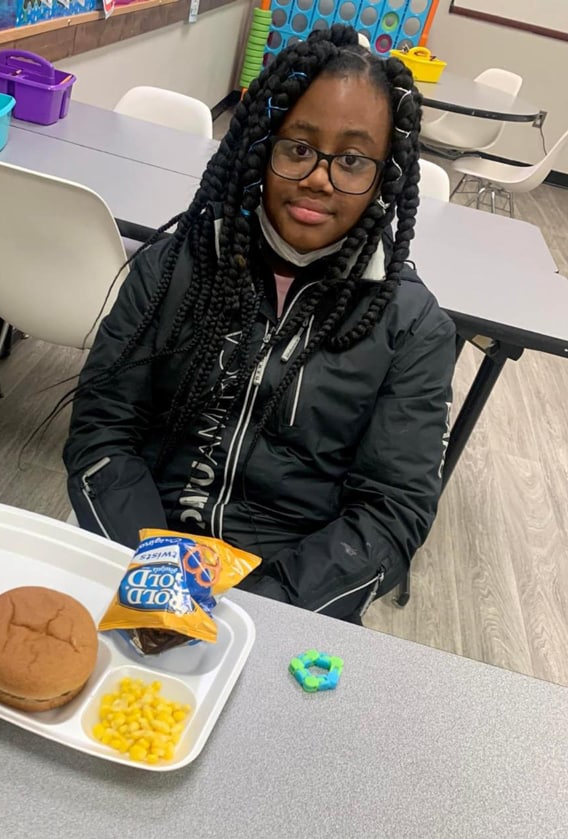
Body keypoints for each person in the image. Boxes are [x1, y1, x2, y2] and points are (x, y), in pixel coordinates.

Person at [61, 25, 456, 623]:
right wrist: (162, 580)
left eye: (352, 161)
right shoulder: (175, 267)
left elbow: (390, 511)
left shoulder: (411, 327)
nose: (320, 177)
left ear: (384, 176)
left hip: (290, 598)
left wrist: (261, 613)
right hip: (139, 547)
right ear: (261, 146)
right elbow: (102, 430)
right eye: (298, 147)